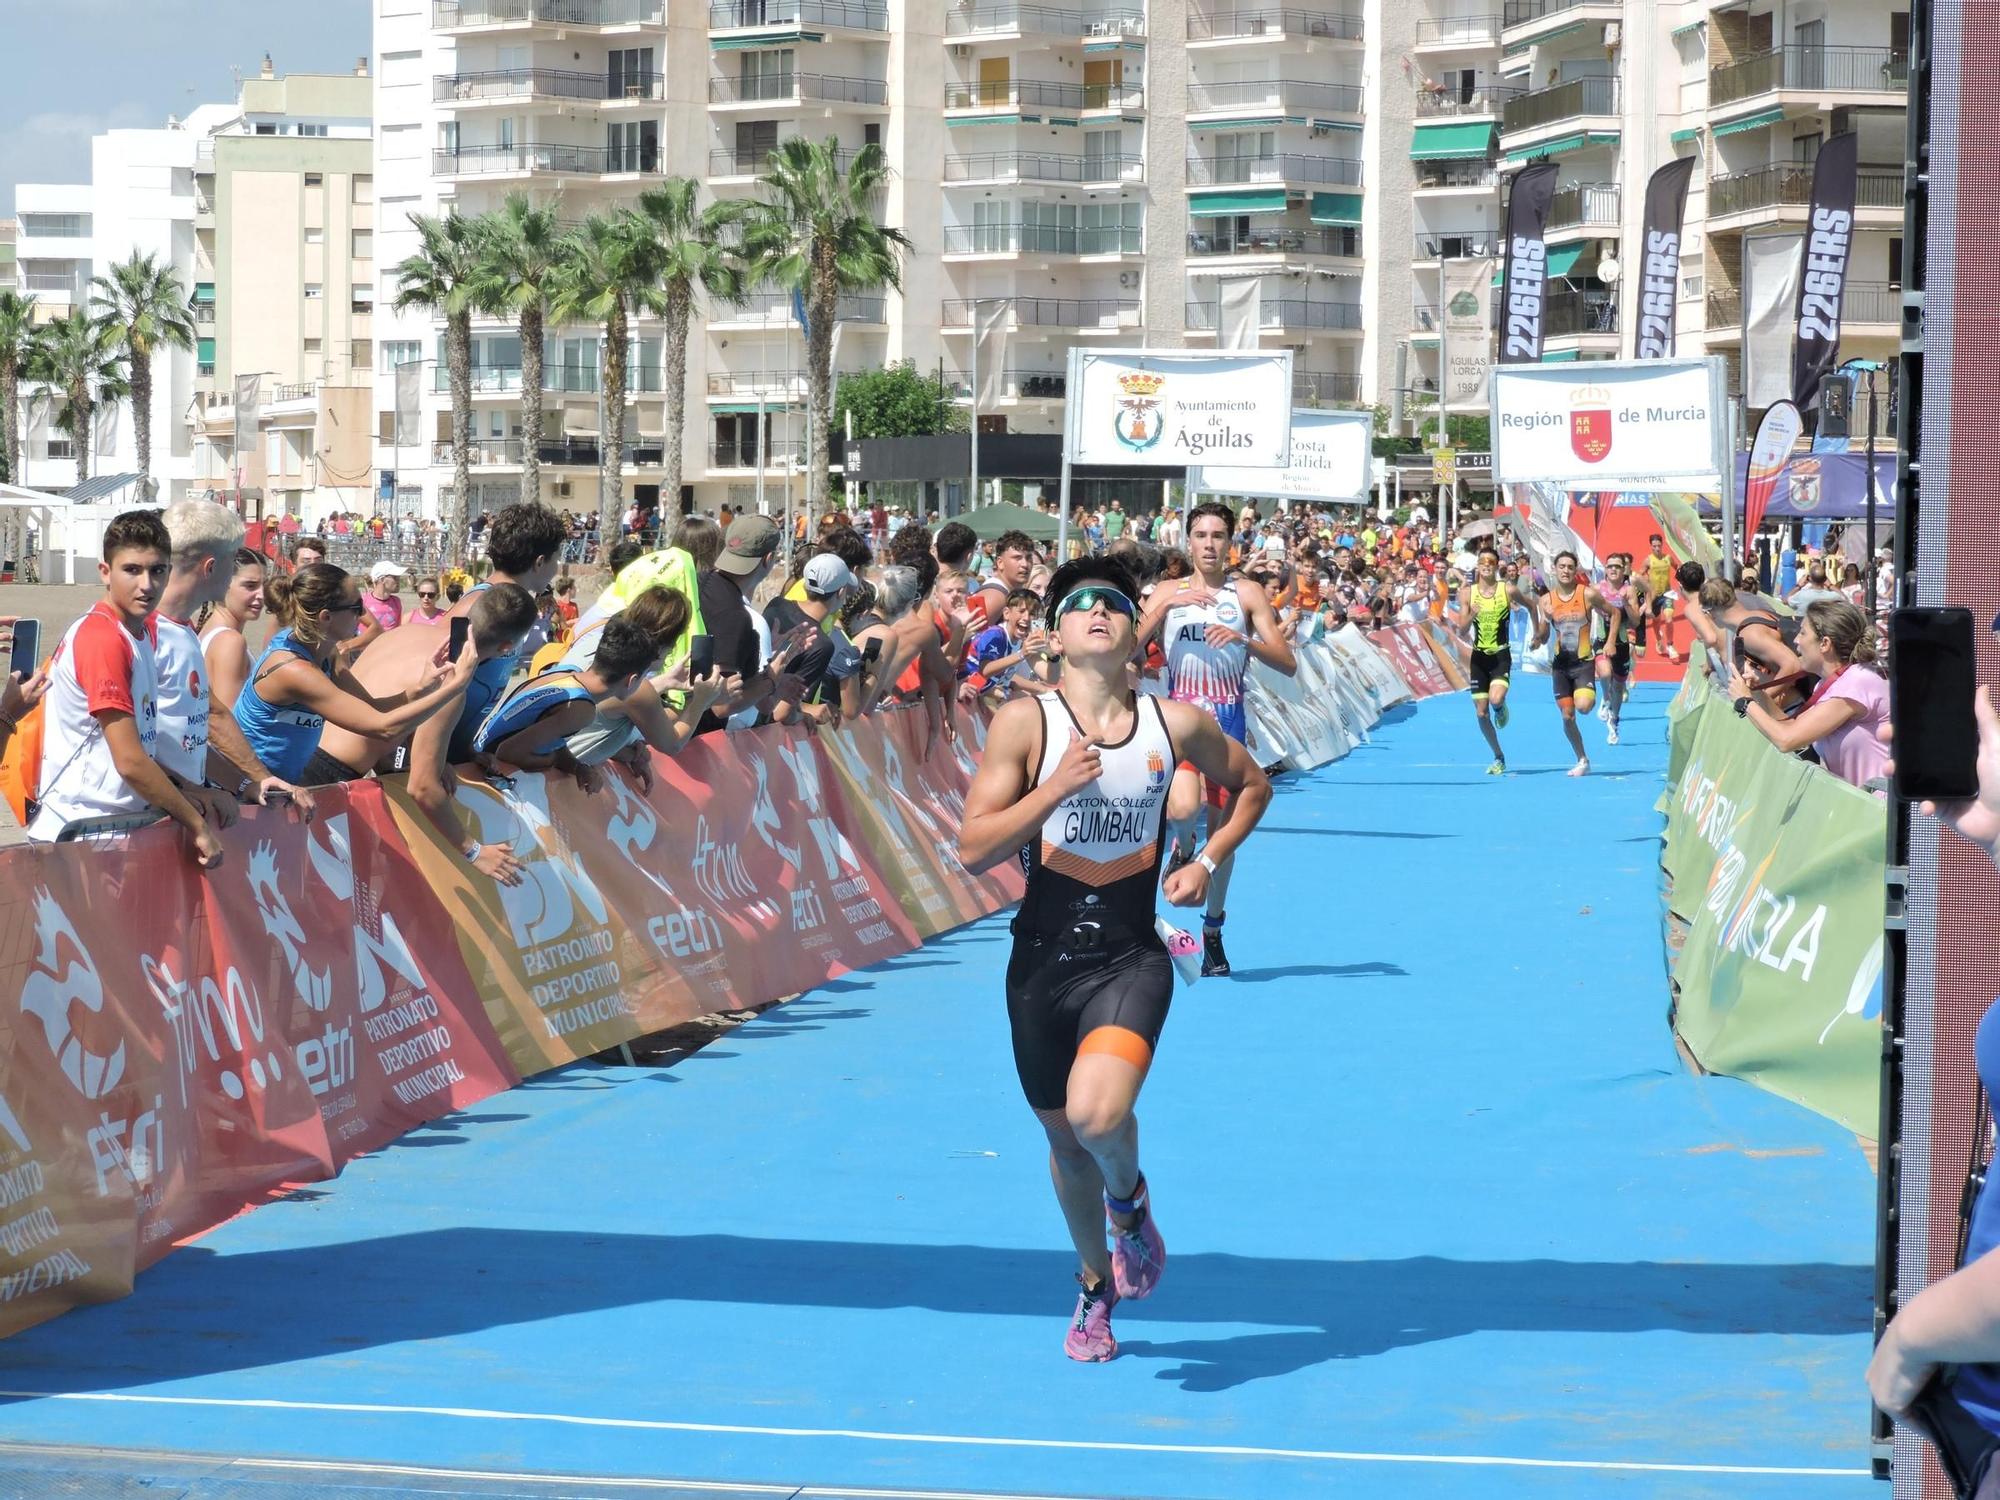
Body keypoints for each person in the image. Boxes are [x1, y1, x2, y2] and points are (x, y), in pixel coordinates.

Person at [957, 555, 1272, 1362]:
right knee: (1065, 1144)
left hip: (1132, 957)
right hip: (1038, 963)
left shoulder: (1175, 724)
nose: (1097, 611)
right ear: (1055, 637)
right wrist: (1053, 789)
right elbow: (972, 848)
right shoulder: (1027, 724)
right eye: (1079, 604)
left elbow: (1255, 786)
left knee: (1099, 1116)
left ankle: (1129, 1204)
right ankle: (1096, 1286)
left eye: (1115, 605)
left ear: (1138, 637)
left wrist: (1206, 860)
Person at [1137, 501, 1295, 976]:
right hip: (1181, 717)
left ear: (1231, 542)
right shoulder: (1167, 591)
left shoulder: (1246, 593)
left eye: (1218, 536)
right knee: (1182, 809)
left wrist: (1244, 639)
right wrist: (1165, 606)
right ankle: (1182, 849)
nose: (1209, 545)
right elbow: (1128, 649)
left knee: (1225, 839)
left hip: (1227, 719)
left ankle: (1212, 930)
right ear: (1188, 541)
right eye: (1201, 536)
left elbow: (1286, 661)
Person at [25, 511, 225, 866]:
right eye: (132, 570)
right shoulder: (103, 637)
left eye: (157, 570)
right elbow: (130, 761)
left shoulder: (140, 631)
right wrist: (196, 824)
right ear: (105, 572)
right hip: (80, 835)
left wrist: (192, 790)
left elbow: (139, 753)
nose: (147, 585)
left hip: (111, 830)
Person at [234, 563, 480, 787]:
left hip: (280, 784)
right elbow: (384, 729)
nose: (364, 615)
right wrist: (454, 687)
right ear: (325, 617)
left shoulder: (327, 652)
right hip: (245, 786)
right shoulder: (293, 670)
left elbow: (373, 708)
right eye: (356, 607)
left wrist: (421, 689)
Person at [156, 500, 314, 816]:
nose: (261, 594)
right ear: (212, 567)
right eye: (234, 565)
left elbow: (202, 721)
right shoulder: (150, 631)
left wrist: (250, 782)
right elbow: (139, 741)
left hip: (186, 799)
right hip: (118, 825)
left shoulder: (182, 628)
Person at [469, 616, 661, 791]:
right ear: (632, 680)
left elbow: (547, 736)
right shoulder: (580, 709)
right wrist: (552, 760)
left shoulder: (567, 672)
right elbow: (508, 752)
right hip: (484, 776)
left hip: (474, 757)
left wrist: (577, 767)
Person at [1727, 599, 1888, 790]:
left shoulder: (1856, 683)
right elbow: (1791, 726)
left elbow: (1786, 740)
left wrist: (1745, 702)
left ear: (1825, 644)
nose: (1795, 640)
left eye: (1803, 633)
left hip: (1883, 811)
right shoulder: (1832, 683)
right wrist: (1757, 693)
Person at [1450, 547, 1543, 776]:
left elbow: (1533, 606)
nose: (1486, 565)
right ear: (1477, 566)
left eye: (1490, 561)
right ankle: (1498, 756)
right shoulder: (1467, 594)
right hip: (1479, 657)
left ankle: (1501, 708)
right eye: (1482, 561)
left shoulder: (1508, 590)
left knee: (1496, 698)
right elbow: (1461, 631)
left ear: (1496, 565)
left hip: (1501, 655)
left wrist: (1537, 634)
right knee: (1481, 713)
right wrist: (1471, 613)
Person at [1538, 550, 1616, 778]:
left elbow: (1614, 613)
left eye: (1569, 567)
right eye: (1561, 566)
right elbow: (1542, 637)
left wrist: (1610, 641)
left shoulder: (1587, 595)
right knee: (1567, 716)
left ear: (1575, 570)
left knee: (1583, 706)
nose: (1565, 570)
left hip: (1583, 663)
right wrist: (1546, 617)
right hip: (1560, 666)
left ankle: (1606, 698)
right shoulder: (1546, 600)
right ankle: (1582, 759)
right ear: (1554, 569)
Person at [764, 552, 858, 726]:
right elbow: (781, 712)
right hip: (764, 726)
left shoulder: (777, 604)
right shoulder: (821, 644)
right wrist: (804, 716)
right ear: (841, 592)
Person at [197, 547, 268, 715]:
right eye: (250, 586)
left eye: (264, 585)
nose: (262, 595)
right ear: (222, 584)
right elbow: (229, 718)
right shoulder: (229, 641)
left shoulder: (210, 630)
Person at [1591, 553, 1648, 746]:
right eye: (1610, 566)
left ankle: (1614, 720)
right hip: (1602, 639)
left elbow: (1636, 620)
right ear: (1605, 570)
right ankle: (1605, 700)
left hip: (1622, 644)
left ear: (1623, 570)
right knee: (1605, 672)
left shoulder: (1629, 590)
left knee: (1618, 686)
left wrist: (1624, 603)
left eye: (1617, 566)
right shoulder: (1598, 589)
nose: (1613, 569)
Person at [971, 530, 1038, 628]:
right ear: (1000, 563)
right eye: (1017, 558)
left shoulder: (1009, 593)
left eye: (1028, 558)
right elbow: (972, 639)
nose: (1025, 564)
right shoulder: (995, 596)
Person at [1640, 534, 1680, 662]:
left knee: (1668, 619)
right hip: (1654, 596)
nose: (1657, 548)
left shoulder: (1668, 558)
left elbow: (1677, 568)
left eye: (1659, 545)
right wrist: (1645, 579)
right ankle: (1658, 640)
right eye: (1654, 546)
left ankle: (1670, 645)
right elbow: (1641, 573)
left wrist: (1680, 581)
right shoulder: (1648, 560)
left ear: (1662, 545)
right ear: (1651, 546)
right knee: (1656, 622)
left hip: (1667, 594)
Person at [362, 561, 407, 634]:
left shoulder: (396, 602)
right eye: (395, 577)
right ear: (382, 580)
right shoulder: (363, 601)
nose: (398, 581)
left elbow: (398, 629)